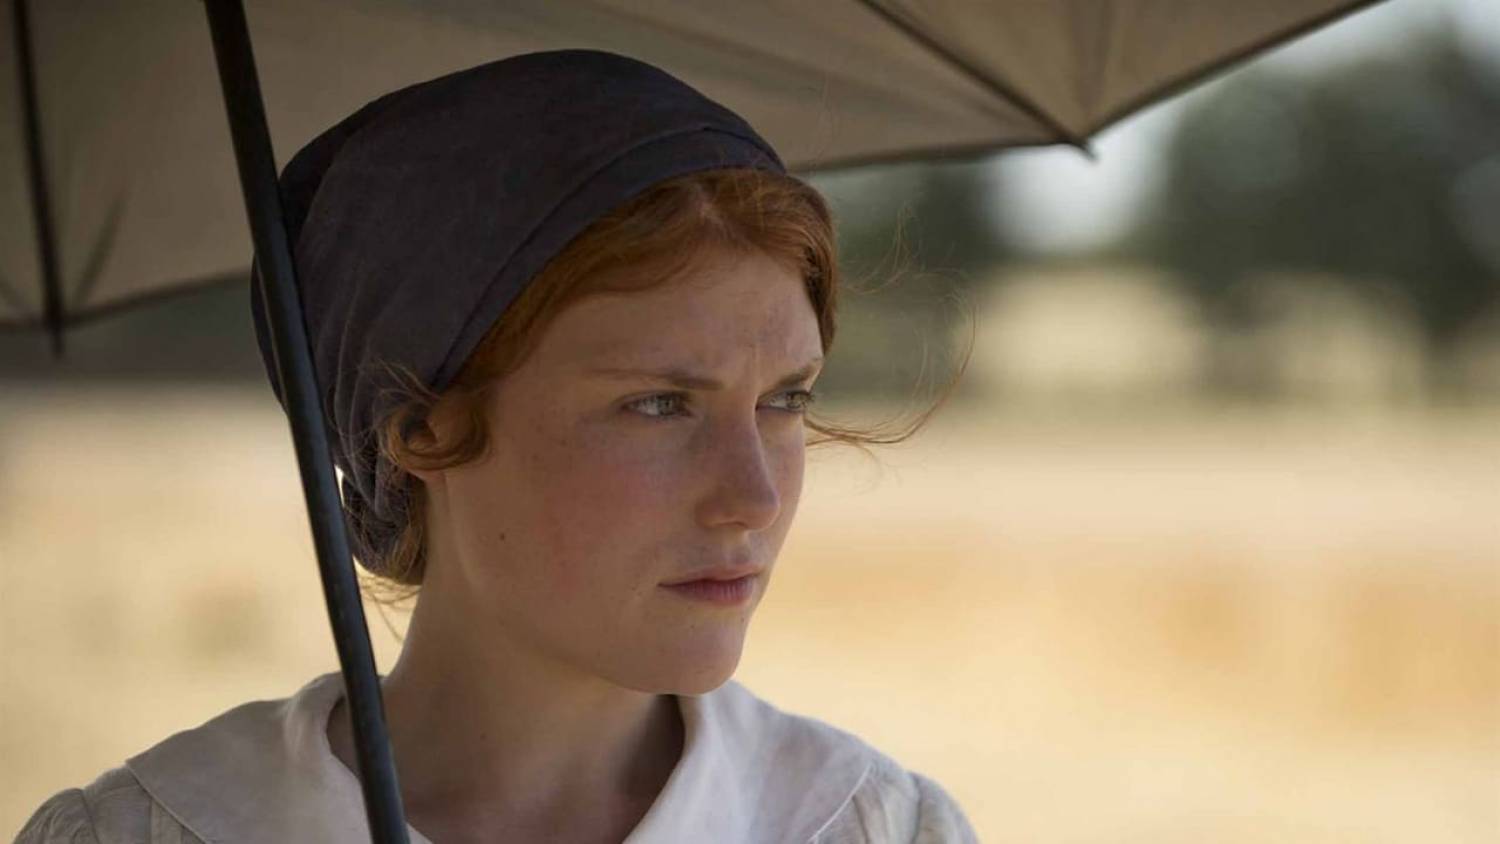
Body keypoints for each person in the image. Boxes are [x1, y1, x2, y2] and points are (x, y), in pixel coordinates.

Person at [16, 49, 977, 843]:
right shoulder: (153, 832)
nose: (754, 498)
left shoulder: (874, 827)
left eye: (786, 399)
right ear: (419, 427)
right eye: (658, 405)